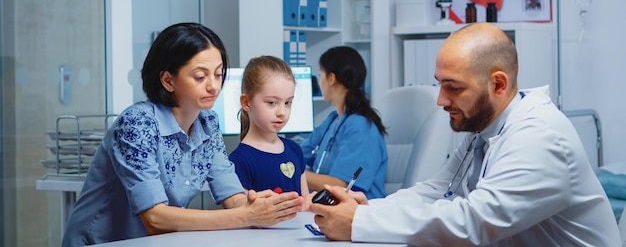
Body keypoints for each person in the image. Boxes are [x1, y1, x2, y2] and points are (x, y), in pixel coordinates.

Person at [310, 23, 621, 246]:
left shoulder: (539, 138)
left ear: (498, 84)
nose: (441, 100)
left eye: (454, 87)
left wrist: (360, 223)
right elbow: (436, 190)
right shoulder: (485, 130)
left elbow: (474, 223)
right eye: (440, 83)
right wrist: (367, 209)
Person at [61, 23, 303, 246]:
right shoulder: (137, 124)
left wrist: (257, 205)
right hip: (102, 243)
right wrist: (243, 215)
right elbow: (155, 218)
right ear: (168, 80)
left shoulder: (208, 122)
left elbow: (231, 194)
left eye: (218, 74)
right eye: (200, 76)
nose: (213, 86)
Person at [300, 46, 388, 199]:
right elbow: (298, 154)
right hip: (328, 207)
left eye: (320, 75)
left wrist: (292, 172)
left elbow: (341, 186)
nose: (319, 83)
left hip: (360, 212)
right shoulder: (333, 120)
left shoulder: (361, 128)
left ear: (331, 78)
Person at [229, 56, 310, 200]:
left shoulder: (294, 150)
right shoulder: (239, 160)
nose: (282, 112)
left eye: (288, 103)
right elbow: (243, 214)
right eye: (272, 102)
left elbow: (304, 201)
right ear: (247, 103)